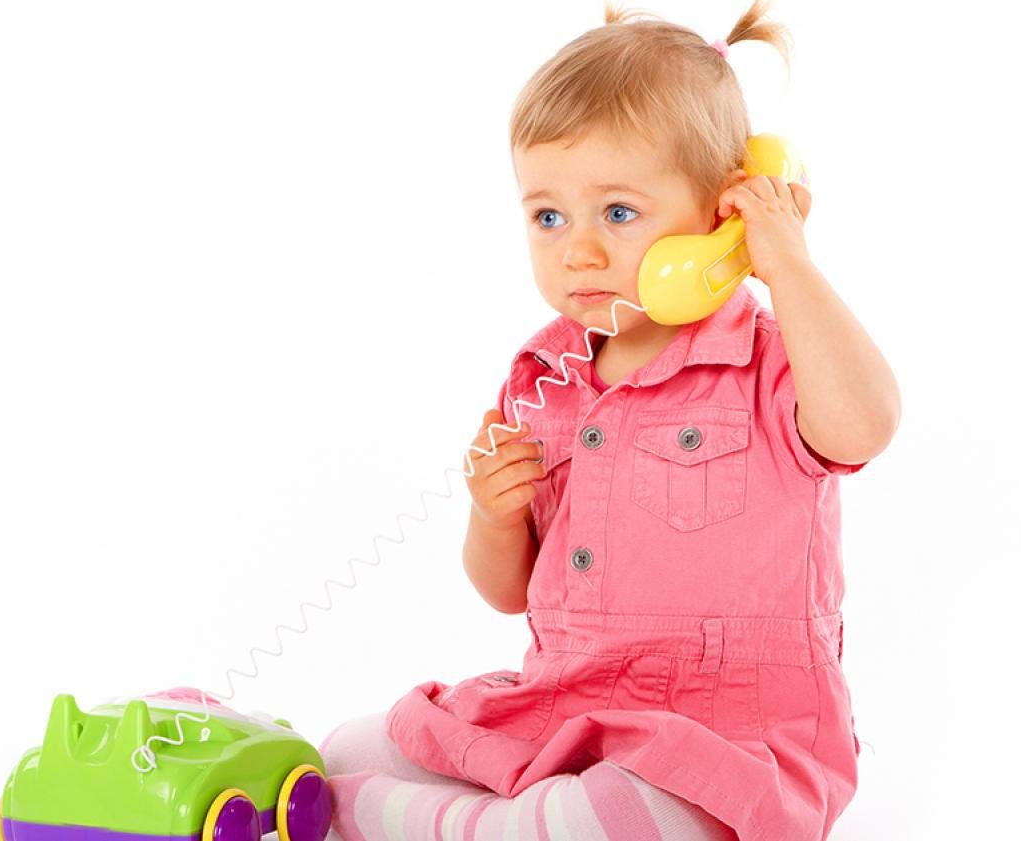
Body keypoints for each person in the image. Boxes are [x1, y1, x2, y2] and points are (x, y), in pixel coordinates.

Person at [320, 2, 900, 839]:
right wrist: (493, 514)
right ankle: (480, 815)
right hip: (568, 713)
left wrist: (787, 263)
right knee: (353, 746)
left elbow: (865, 425)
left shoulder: (772, 360)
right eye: (547, 216)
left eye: (618, 213)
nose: (577, 251)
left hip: (724, 741)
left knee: (619, 813)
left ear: (721, 216)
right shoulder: (543, 374)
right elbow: (508, 590)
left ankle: (451, 825)